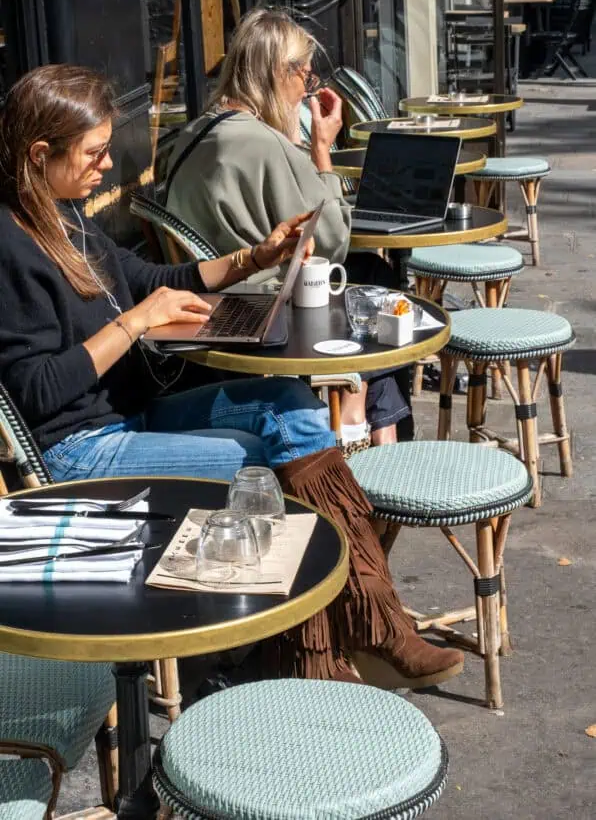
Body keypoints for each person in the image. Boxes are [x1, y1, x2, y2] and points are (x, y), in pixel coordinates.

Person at [0, 64, 463, 689]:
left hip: (130, 417)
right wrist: (136, 324)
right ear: (38, 154)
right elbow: (34, 392)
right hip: (79, 450)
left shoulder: (65, 214)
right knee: (266, 464)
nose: (107, 166)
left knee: (291, 402)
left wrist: (254, 258)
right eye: (94, 152)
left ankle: (362, 625)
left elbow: (148, 280)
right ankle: (333, 645)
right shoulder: (11, 244)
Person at [166, 7, 411, 451]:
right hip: (263, 308)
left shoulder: (195, 131)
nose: (309, 87)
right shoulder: (263, 144)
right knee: (374, 284)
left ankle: (370, 419)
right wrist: (321, 151)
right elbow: (332, 240)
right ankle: (372, 437)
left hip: (211, 298)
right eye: (306, 77)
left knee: (371, 283)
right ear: (280, 74)